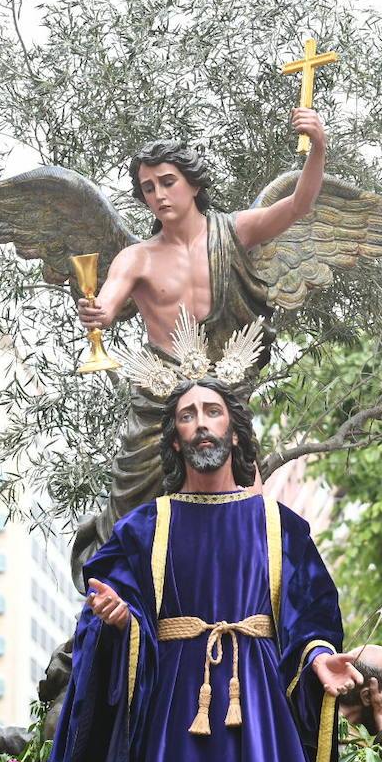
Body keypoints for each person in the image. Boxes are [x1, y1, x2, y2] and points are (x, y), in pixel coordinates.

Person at [50, 377, 363, 762]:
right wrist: (117, 616)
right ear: (175, 439)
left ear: (234, 431)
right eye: (187, 415)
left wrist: (319, 657)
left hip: (257, 705)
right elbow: (109, 598)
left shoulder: (279, 525)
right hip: (174, 708)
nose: (201, 424)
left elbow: (311, 611)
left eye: (212, 412)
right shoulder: (146, 527)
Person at [69, 109, 328, 568]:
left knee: (245, 508)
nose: (159, 194)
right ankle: (114, 602)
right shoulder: (137, 257)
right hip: (159, 398)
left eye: (167, 182)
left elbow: (298, 207)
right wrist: (94, 312)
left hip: (222, 394)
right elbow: (106, 308)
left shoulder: (233, 232)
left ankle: (252, 591)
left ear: (192, 184)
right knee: (130, 507)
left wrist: (318, 146)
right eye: (148, 188)